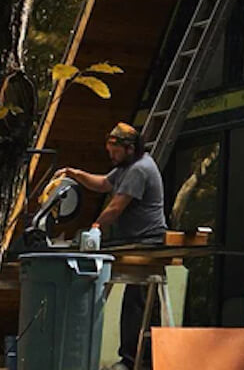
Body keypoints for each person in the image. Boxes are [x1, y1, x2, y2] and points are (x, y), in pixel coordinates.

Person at [54, 122, 166, 370]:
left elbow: (115, 207)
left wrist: (94, 228)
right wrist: (74, 173)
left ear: (128, 148)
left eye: (114, 151)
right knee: (139, 301)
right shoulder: (125, 167)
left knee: (137, 302)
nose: (111, 156)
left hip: (147, 241)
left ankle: (134, 361)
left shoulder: (139, 169)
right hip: (133, 239)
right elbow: (102, 183)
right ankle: (141, 359)